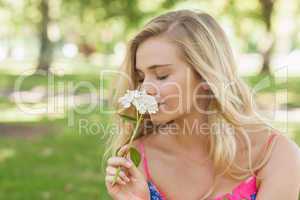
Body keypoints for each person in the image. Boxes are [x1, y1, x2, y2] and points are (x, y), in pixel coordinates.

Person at [104, 10, 300, 200]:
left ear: (206, 76)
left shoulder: (274, 154)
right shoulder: (136, 156)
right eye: (140, 77)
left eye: (162, 75)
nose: (145, 89)